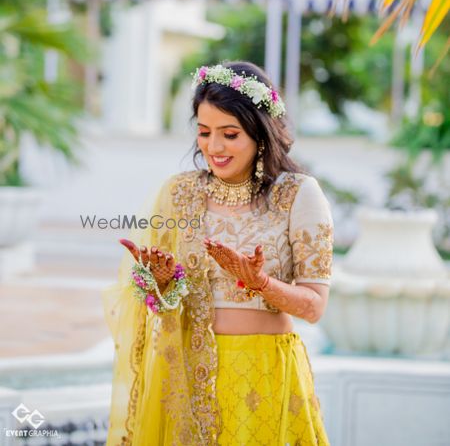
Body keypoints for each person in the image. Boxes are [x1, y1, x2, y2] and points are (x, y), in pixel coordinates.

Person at [103, 60, 334, 446]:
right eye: (205, 132)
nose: (214, 147)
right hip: (184, 376)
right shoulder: (178, 193)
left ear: (260, 134)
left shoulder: (297, 194)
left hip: (263, 373)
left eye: (230, 134)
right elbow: (159, 305)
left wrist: (260, 283)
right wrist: (159, 285)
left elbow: (314, 307)